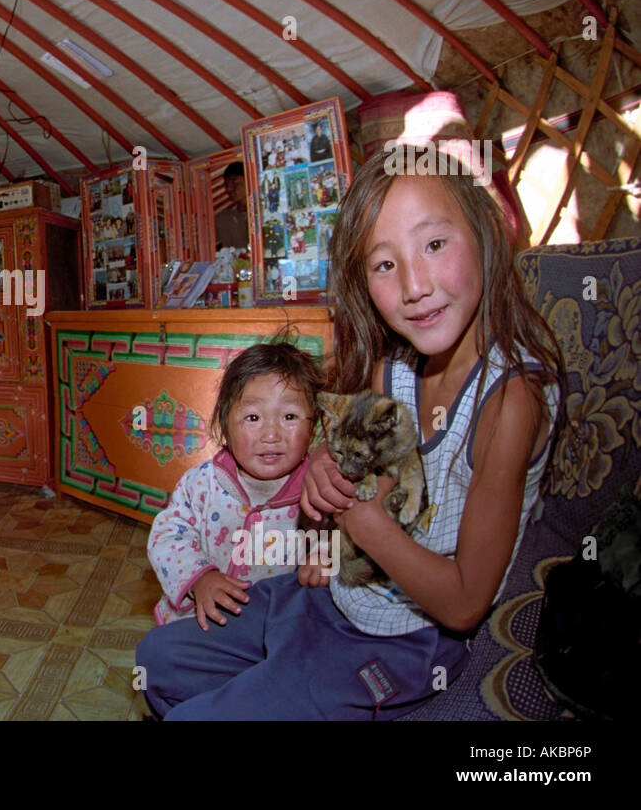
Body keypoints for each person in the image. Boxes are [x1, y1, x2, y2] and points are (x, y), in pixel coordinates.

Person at [136, 142, 562, 720]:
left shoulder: (509, 402)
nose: (414, 285)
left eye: (434, 245)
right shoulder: (394, 367)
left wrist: (360, 522)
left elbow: (464, 604)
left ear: (486, 232)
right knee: (157, 659)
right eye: (385, 264)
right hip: (335, 593)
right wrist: (319, 467)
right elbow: (350, 465)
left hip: (404, 638)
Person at [147, 341, 324, 628]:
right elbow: (166, 536)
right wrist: (199, 578)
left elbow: (341, 536)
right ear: (224, 426)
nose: (271, 434)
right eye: (252, 418)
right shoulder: (202, 483)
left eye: (289, 416)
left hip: (274, 624)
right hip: (197, 618)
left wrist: (325, 558)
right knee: (163, 659)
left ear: (313, 426)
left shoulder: (317, 490)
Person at [213, 161, 250, 250]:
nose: (229, 189)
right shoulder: (222, 218)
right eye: (226, 184)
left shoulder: (263, 215)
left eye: (235, 183)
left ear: (249, 182)